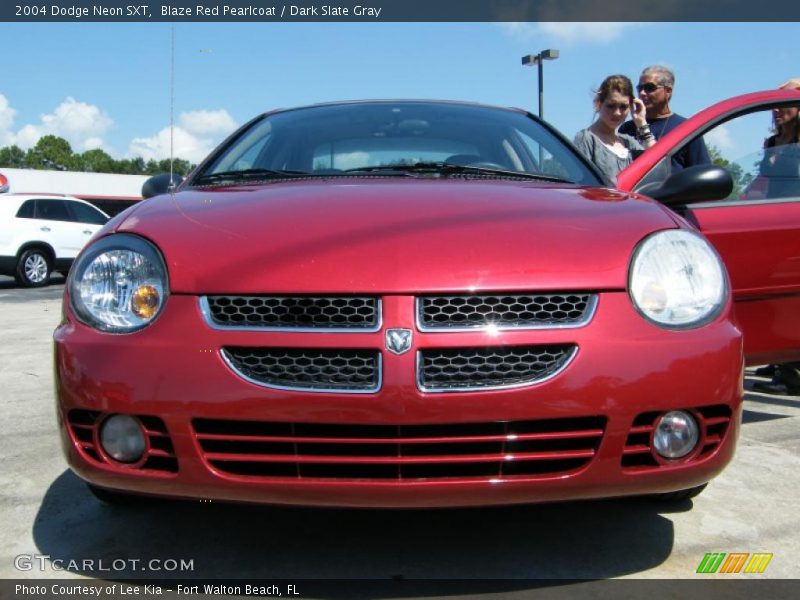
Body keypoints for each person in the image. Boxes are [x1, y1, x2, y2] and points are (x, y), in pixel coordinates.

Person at [751, 79, 800, 396]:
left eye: (785, 103)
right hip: (773, 227)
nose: (778, 109)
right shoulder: (772, 143)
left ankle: (793, 370)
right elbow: (761, 186)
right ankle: (780, 358)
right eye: (775, 104)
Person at [619, 65, 710, 171]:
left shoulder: (687, 129)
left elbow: (702, 173)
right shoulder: (627, 128)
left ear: (668, 91)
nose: (642, 93)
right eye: (640, 88)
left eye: (649, 88)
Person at [573, 74, 655, 184]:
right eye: (611, 106)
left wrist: (641, 123)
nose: (617, 113)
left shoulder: (628, 142)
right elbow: (578, 184)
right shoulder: (586, 139)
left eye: (623, 107)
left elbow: (656, 165)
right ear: (599, 103)